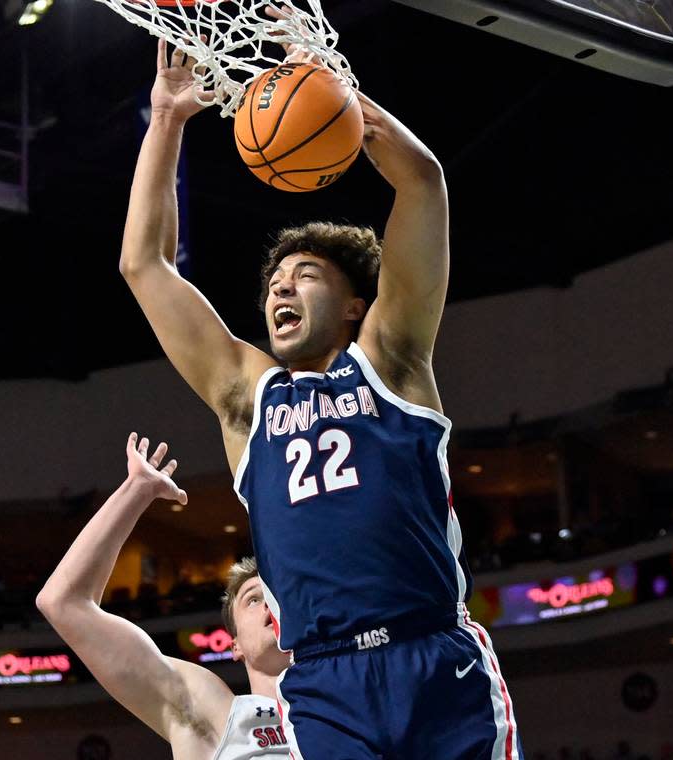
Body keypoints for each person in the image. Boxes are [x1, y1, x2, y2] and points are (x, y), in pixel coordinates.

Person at [116, 29, 521, 760]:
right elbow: (144, 266)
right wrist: (167, 122)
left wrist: (331, 88)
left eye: (304, 274)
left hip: (434, 657)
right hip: (325, 684)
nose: (279, 285)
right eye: (274, 280)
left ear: (357, 304)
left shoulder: (392, 363)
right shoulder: (247, 399)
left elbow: (423, 181)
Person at [36, 433, 291, 758]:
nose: (270, 603)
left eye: (278, 594)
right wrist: (136, 490)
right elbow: (64, 602)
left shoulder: (357, 694)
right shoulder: (213, 713)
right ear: (235, 644)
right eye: (254, 598)